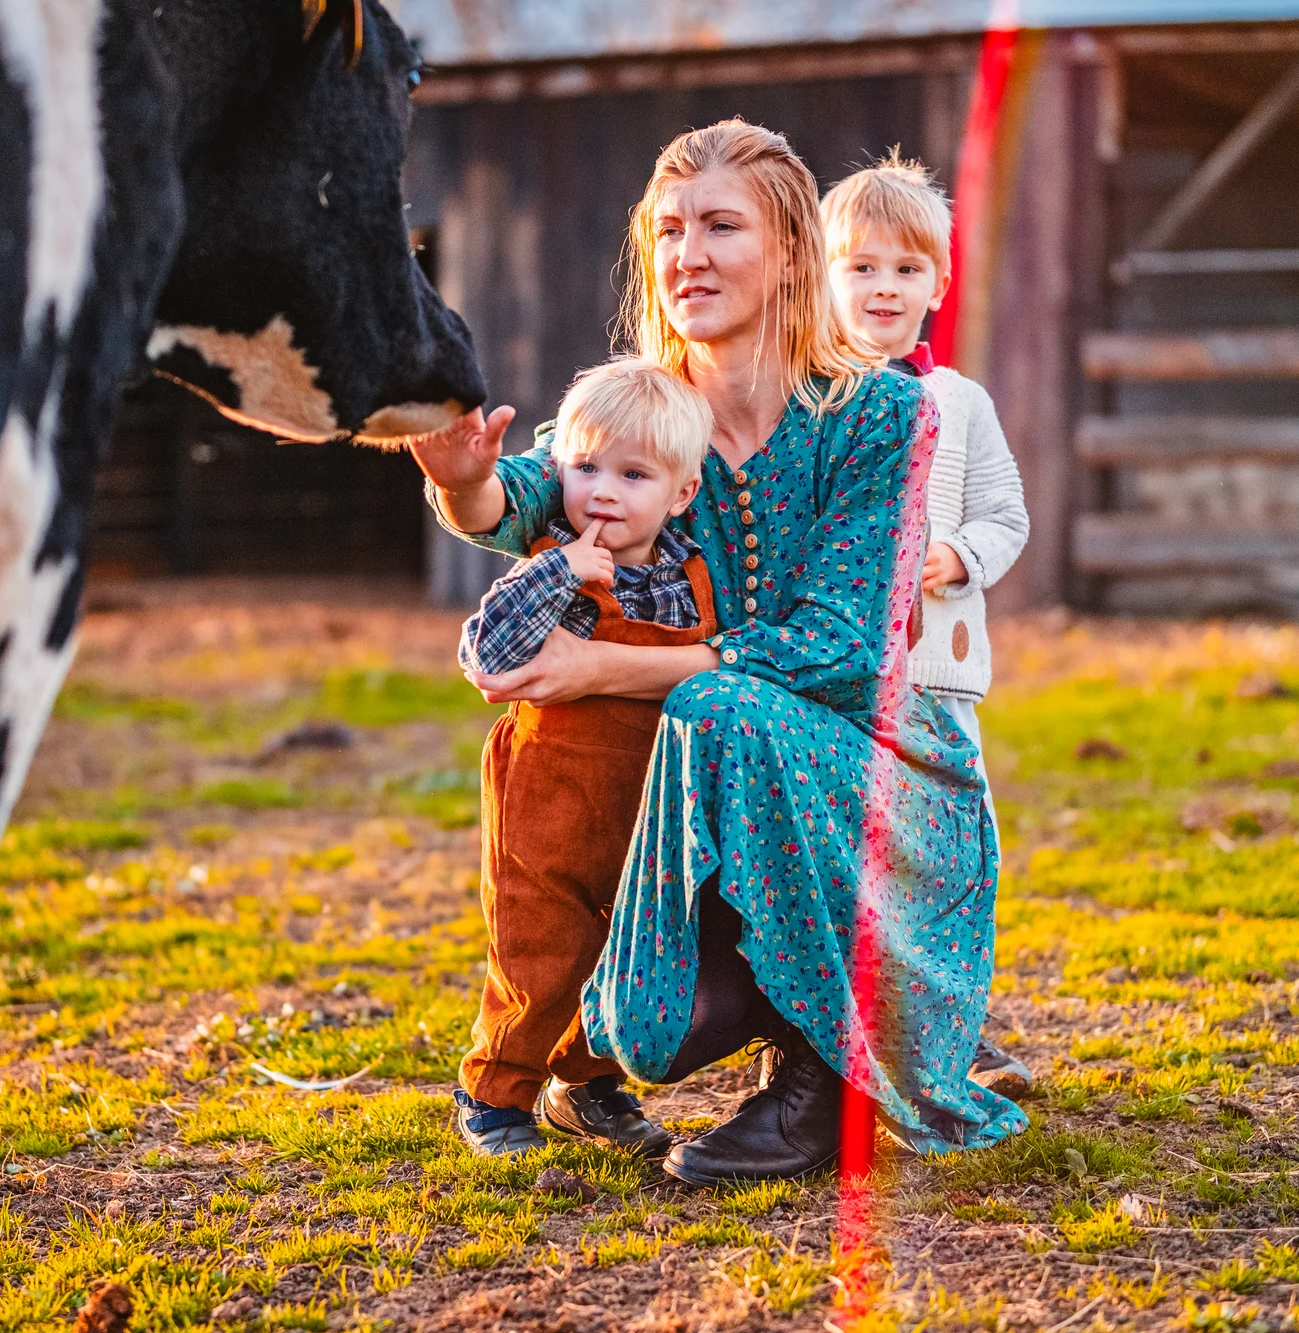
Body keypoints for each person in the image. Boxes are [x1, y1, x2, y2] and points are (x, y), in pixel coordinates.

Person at [412, 119, 1027, 1185]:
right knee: (643, 1026)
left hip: (885, 781)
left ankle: (816, 1084)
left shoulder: (881, 413)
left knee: (720, 709)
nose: (686, 254)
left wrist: (604, 670)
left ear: (789, 252)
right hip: (700, 799)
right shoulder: (645, 409)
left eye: (720, 227)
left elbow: (840, 651)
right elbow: (520, 494)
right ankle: (704, 1036)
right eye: (668, 230)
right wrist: (462, 481)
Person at [451, 358, 717, 1158]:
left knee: (623, 948)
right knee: (539, 949)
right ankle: (494, 1093)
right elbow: (485, 652)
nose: (603, 491)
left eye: (633, 475)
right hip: (549, 799)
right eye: (585, 466)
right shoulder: (550, 565)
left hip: (645, 805)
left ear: (681, 493)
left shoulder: (691, 577)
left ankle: (586, 1085)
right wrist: (559, 570)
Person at [820, 153, 1034, 1100]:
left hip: (937, 677)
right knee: (860, 856)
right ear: (826, 278)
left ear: (938, 285)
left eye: (907, 268)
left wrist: (962, 554)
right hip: (838, 683)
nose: (884, 287)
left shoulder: (961, 403)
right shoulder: (812, 399)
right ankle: (846, 1032)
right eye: (862, 266)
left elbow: (1006, 513)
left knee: (951, 853)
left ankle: (957, 1033)